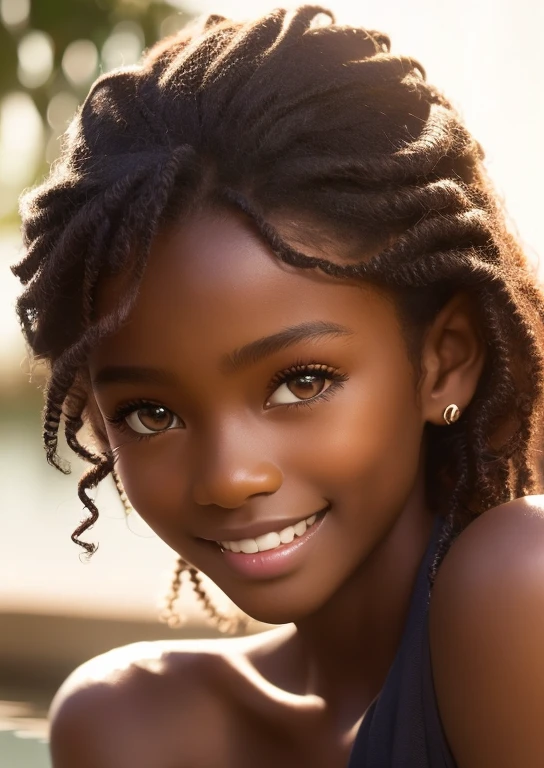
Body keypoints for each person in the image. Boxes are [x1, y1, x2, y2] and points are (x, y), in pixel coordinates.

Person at [12, 5, 544, 766]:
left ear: (444, 362)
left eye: (301, 383)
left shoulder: (522, 585)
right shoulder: (126, 727)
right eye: (150, 412)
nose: (230, 477)